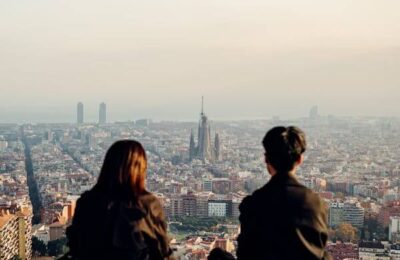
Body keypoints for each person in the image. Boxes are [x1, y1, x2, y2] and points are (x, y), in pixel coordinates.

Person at [65, 140, 174, 260]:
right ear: (140, 168)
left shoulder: (86, 201)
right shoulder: (147, 204)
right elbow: (162, 251)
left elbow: (75, 246)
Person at [236, 126, 330, 259]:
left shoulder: (253, 204)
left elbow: (245, 254)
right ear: (299, 160)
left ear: (266, 159)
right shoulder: (316, 204)